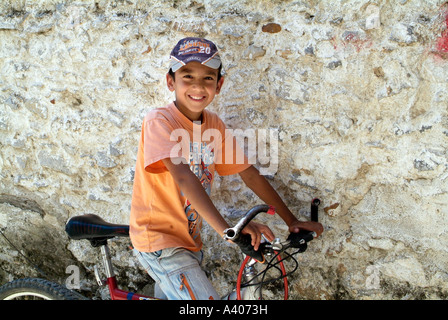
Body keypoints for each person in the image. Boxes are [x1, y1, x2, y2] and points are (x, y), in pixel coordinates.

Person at [129, 37, 323, 300]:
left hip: (189, 242)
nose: (198, 86)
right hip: (160, 243)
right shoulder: (159, 121)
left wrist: (291, 221)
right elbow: (184, 177)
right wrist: (229, 231)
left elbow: (249, 173)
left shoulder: (213, 124)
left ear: (219, 84)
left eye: (208, 78)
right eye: (188, 76)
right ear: (170, 81)